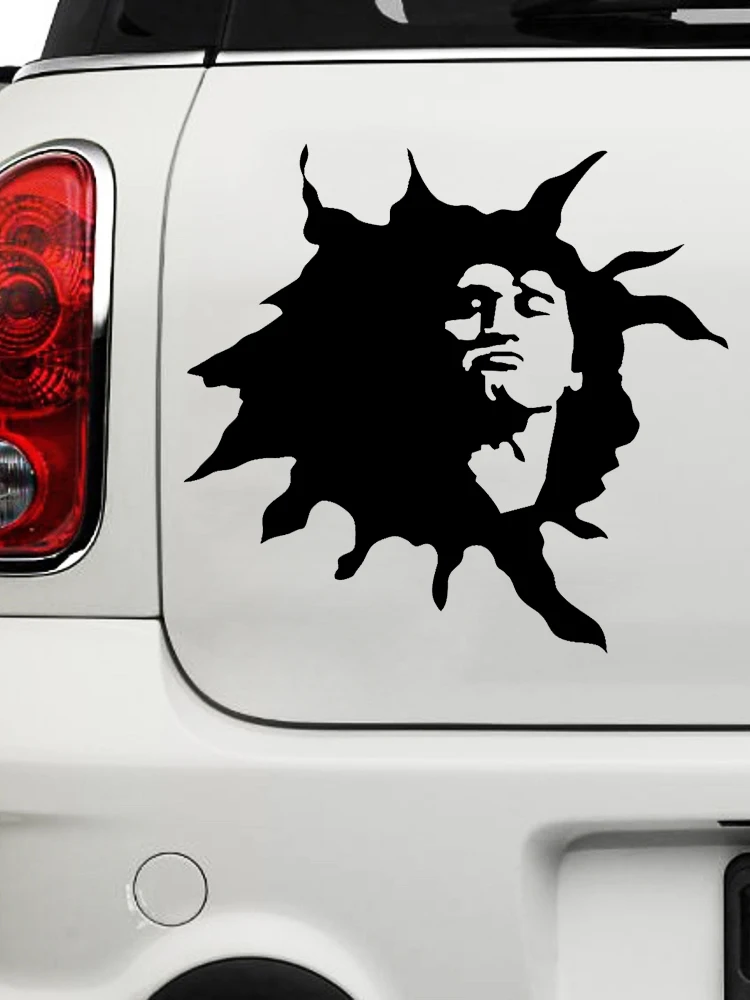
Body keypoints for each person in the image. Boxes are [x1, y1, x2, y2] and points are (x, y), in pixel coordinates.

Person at [188, 147, 725, 649]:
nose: (497, 323)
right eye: (471, 303)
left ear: (579, 363)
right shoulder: (373, 486)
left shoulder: (672, 497)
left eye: (532, 304)